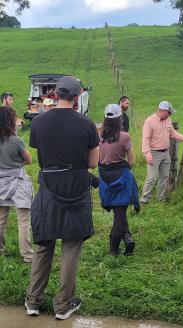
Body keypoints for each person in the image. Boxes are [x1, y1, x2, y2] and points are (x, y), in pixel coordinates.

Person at [25, 76, 99, 320]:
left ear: (55, 94)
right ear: (77, 97)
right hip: (76, 188)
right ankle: (63, 304)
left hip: (48, 186)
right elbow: (92, 163)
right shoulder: (86, 124)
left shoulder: (38, 123)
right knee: (71, 247)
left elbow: (39, 153)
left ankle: (33, 302)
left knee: (43, 245)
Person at [98, 104, 139, 256]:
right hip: (121, 176)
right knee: (120, 213)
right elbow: (132, 162)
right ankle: (113, 250)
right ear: (119, 118)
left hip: (105, 177)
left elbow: (97, 158)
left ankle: (127, 238)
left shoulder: (99, 136)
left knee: (119, 211)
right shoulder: (124, 136)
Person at [141, 101, 183, 204]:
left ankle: (161, 199)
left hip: (166, 153)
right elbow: (145, 139)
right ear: (163, 111)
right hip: (154, 153)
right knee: (151, 177)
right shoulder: (149, 121)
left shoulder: (168, 120)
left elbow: (173, 134)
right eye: (169, 112)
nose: (170, 114)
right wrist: (147, 154)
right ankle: (144, 200)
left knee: (164, 177)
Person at [0, 106, 33, 263]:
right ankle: (27, 255)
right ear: (9, 122)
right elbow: (29, 160)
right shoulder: (16, 141)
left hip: (1, 182)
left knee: (0, 220)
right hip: (18, 182)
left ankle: (0, 249)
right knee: (23, 221)